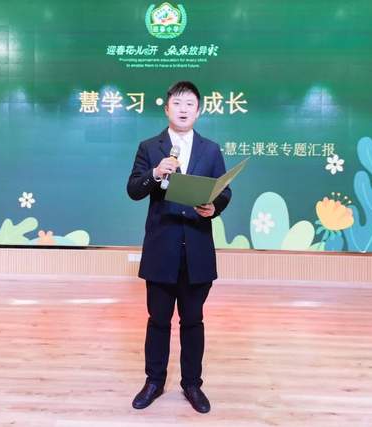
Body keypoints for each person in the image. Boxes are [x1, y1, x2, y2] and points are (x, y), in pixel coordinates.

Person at [126, 81, 231, 414]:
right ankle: (154, 382)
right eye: (177, 103)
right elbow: (133, 189)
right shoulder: (149, 147)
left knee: (193, 321)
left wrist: (214, 207)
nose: (183, 109)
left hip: (197, 248)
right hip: (162, 247)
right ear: (166, 108)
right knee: (158, 320)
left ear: (198, 111)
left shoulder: (210, 149)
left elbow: (224, 192)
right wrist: (156, 173)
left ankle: (192, 384)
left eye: (190, 104)